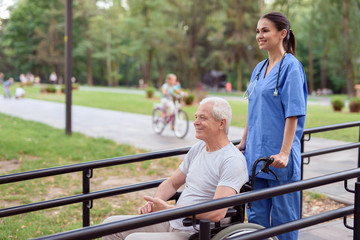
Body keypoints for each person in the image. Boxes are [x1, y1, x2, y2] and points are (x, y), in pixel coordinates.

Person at [103, 97, 248, 240]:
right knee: (109, 226)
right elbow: (172, 183)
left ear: (221, 123)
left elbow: (216, 213)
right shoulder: (198, 148)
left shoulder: (232, 160)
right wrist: (155, 202)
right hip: (172, 219)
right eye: (196, 117)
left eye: (202, 118)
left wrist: (168, 210)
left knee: (134, 239)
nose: (195, 122)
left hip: (195, 231)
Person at [237, 12, 307, 240]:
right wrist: (244, 142)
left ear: (282, 34)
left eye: (265, 30)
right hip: (256, 158)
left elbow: (293, 114)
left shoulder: (292, 67)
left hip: (279, 160)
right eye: (257, 31)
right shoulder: (259, 68)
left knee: (283, 224)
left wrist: (285, 153)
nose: (259, 35)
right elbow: (252, 108)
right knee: (255, 222)